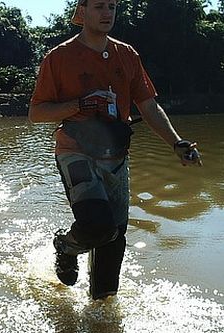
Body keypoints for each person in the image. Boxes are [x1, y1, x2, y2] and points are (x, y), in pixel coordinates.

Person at [29, 0, 202, 300]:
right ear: (82, 11)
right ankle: (66, 247)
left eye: (112, 6)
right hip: (75, 151)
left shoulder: (127, 55)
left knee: (113, 239)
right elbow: (36, 113)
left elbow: (148, 105)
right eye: (99, 6)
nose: (107, 13)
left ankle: (101, 309)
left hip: (116, 156)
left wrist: (177, 143)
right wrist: (79, 104)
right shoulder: (59, 57)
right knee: (97, 225)